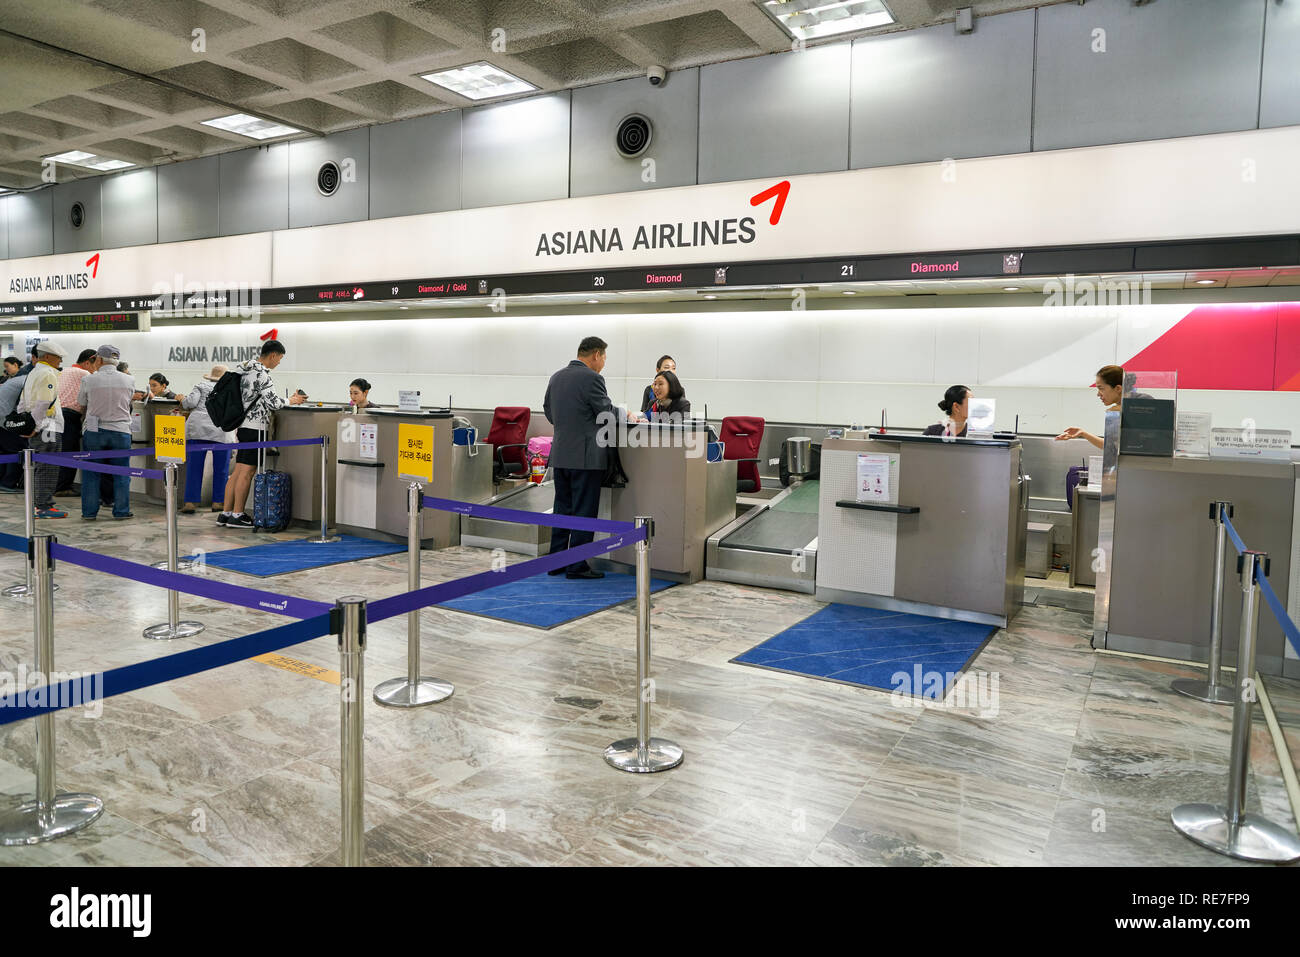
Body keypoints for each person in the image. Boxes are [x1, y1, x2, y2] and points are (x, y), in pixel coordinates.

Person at [543, 336, 636, 579]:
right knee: (584, 511)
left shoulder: (557, 377)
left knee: (563, 509)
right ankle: (577, 565)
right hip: (586, 458)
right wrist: (626, 413)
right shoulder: (593, 378)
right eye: (604, 358)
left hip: (561, 454)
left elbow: (548, 411)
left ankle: (557, 561)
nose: (603, 363)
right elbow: (606, 413)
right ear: (596, 354)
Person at [218, 339, 305, 528]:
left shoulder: (244, 368)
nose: (278, 363)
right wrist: (293, 400)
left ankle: (225, 513)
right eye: (279, 359)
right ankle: (238, 514)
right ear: (273, 355)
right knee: (247, 472)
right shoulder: (262, 374)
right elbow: (273, 403)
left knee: (238, 470)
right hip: (256, 427)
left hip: (242, 425)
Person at [77, 344, 136, 521]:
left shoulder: (89, 380)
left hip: (95, 430)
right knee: (121, 473)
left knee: (91, 474)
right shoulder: (129, 380)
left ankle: (89, 512)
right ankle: (121, 511)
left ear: (99, 359)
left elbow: (82, 403)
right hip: (121, 430)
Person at [18, 340, 68, 519]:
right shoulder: (48, 374)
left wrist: (25, 424)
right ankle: (43, 506)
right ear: (47, 356)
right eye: (58, 357)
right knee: (48, 466)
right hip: (48, 426)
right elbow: (44, 403)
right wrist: (36, 426)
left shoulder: (33, 373)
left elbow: (22, 403)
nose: (60, 361)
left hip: (38, 425)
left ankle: (39, 504)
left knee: (39, 465)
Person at [180, 365, 233, 514]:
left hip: (198, 430)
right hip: (221, 430)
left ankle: (190, 502)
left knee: (194, 467)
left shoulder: (201, 386)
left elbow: (189, 403)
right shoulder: (231, 389)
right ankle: (218, 502)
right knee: (221, 469)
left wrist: (181, 399)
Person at [54, 349, 100, 496]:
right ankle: (62, 488)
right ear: (87, 362)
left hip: (56, 415)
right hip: (70, 416)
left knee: (61, 451)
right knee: (71, 452)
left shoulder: (65, 370)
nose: (96, 369)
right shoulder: (85, 374)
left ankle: (59, 485)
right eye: (95, 365)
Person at [1055, 365, 1127, 450]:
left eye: (1101, 388)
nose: (1098, 394)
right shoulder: (1116, 412)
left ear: (1118, 388)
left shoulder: (1131, 412)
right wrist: (1083, 433)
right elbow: (1110, 446)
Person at [0, 364, 29, 492]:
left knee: (4, 451)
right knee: (16, 451)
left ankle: (3, 482)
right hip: (7, 421)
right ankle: (8, 483)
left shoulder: (15, 381)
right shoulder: (27, 382)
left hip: (2, 420)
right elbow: (24, 405)